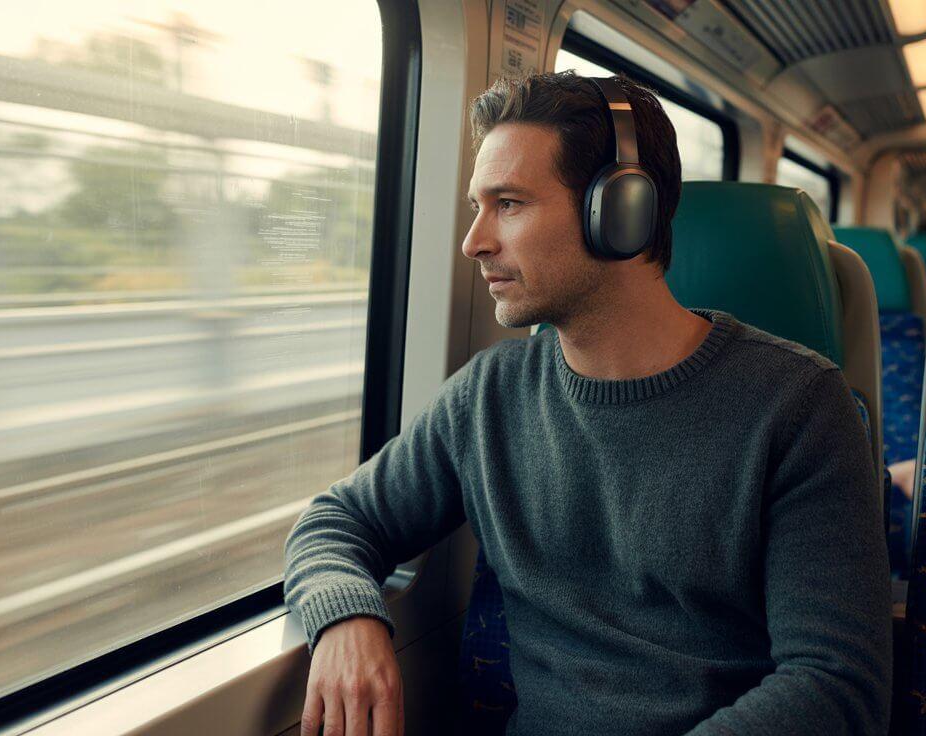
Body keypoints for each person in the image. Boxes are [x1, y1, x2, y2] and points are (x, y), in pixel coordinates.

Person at [283, 71, 891, 736]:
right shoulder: (489, 397)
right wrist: (347, 618)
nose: (474, 241)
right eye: (476, 206)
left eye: (509, 204)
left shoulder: (797, 406)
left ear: (623, 211)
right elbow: (335, 521)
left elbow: (836, 689)